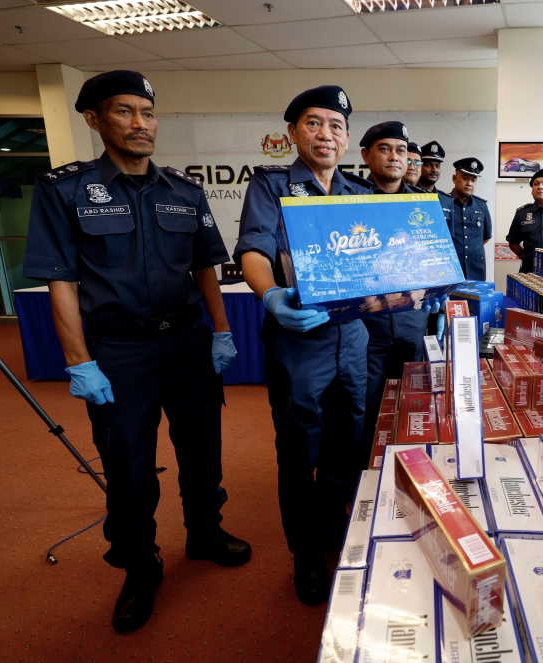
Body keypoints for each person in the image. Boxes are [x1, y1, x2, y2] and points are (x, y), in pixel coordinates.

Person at [22, 70, 250, 634]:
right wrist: (79, 361)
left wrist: (219, 330)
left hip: (188, 342)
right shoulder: (65, 189)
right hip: (118, 350)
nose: (140, 123)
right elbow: (61, 279)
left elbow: (205, 268)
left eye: (147, 113)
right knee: (128, 467)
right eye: (124, 112)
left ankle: (203, 532)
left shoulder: (183, 189)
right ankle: (139, 566)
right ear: (94, 119)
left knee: (201, 448)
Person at [234, 86, 371, 606]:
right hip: (300, 340)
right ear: (292, 132)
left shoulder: (358, 194)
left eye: (335, 125)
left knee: (345, 444)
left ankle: (334, 532)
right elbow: (252, 248)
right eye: (313, 124)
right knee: (298, 453)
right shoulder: (271, 187)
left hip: (352, 338)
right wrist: (269, 295)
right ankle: (306, 554)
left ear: (347, 137)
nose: (325, 134)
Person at [350, 122, 435, 454]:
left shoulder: (424, 206)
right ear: (366, 155)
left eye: (401, 150)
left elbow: (435, 259)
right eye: (384, 149)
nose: (395, 157)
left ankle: (403, 470)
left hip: (412, 323)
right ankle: (361, 480)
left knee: (409, 404)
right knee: (364, 408)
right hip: (366, 326)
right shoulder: (348, 201)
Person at [446, 157, 492, 281]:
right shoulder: (443, 203)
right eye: (465, 178)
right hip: (450, 268)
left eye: (473, 180)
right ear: (454, 179)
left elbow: (486, 237)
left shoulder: (482, 205)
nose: (469, 183)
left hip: (476, 268)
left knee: (476, 299)